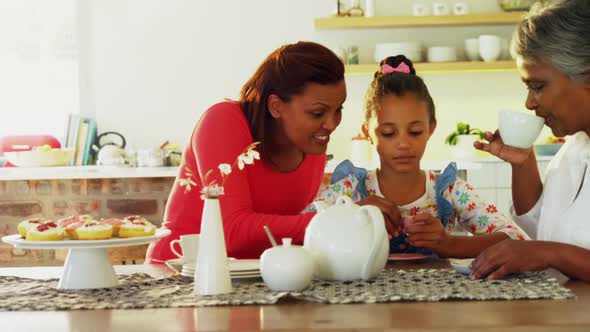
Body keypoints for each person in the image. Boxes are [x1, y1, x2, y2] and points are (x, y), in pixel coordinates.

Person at [146, 41, 352, 262]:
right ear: (276, 106)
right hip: (181, 272)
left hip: (251, 277)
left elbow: (283, 233)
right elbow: (230, 232)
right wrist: (335, 220)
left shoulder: (312, 146)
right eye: (318, 112)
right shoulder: (222, 122)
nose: (331, 124)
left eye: (338, 109)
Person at [307, 55, 526, 258]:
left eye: (415, 132)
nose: (403, 143)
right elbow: (301, 231)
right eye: (388, 133)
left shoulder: (449, 190)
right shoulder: (350, 190)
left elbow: (515, 238)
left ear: (431, 128)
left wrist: (449, 243)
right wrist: (351, 217)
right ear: (367, 133)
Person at [470, 0, 590, 281]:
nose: (529, 103)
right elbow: (542, 228)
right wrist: (523, 163)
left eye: (538, 87)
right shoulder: (575, 149)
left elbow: (549, 249)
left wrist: (549, 253)